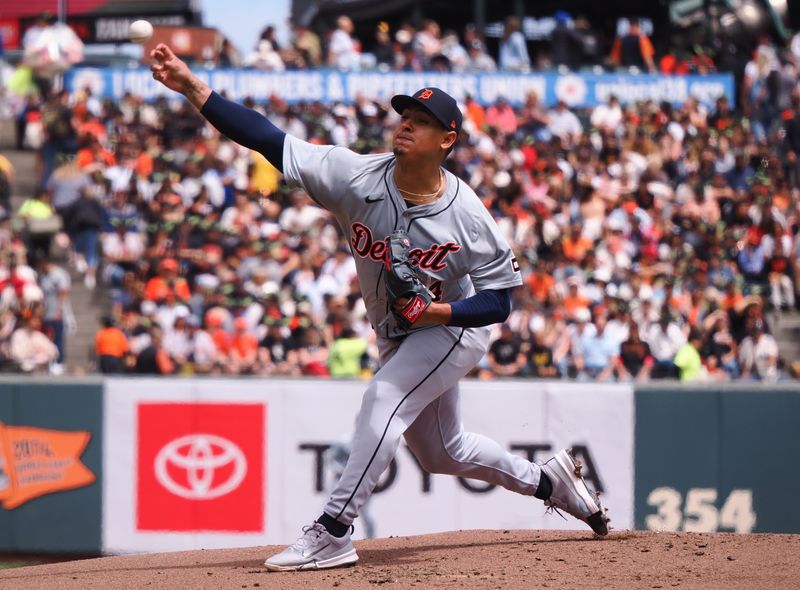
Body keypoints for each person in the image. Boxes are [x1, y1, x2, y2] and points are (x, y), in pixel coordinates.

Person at [150, 43, 609, 572]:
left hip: (453, 325)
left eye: (422, 121)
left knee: (384, 399)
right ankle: (551, 480)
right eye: (405, 116)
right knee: (443, 453)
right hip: (399, 329)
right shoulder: (354, 175)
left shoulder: (468, 215)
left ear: (448, 140)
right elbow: (267, 138)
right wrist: (192, 87)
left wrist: (438, 315)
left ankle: (334, 530)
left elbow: (501, 301)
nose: (406, 126)